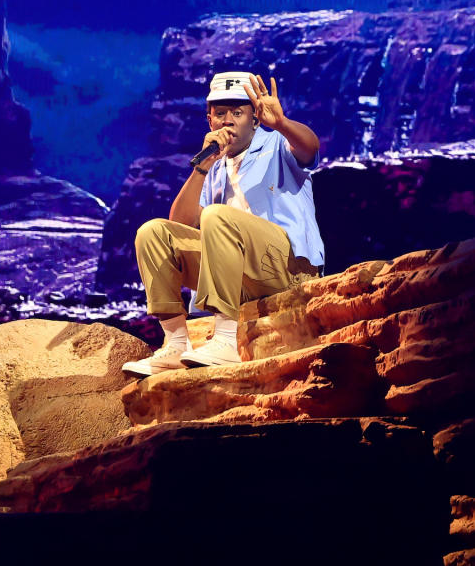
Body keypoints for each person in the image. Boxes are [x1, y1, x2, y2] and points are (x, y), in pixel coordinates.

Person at [122, 71, 324, 376]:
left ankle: (226, 341)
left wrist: (281, 124)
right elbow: (181, 225)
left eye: (238, 113)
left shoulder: (275, 144)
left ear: (255, 118)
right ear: (209, 120)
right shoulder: (214, 166)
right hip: (242, 280)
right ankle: (177, 343)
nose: (227, 120)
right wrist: (202, 167)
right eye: (219, 114)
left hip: (287, 269)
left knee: (216, 216)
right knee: (153, 233)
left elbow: (310, 148)